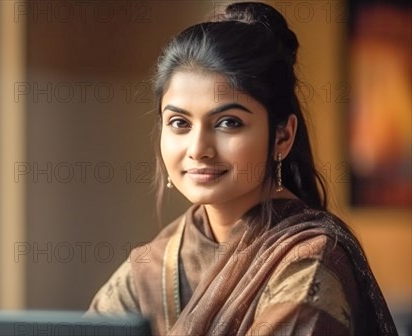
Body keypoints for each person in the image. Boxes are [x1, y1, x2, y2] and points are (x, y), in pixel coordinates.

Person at [87, 2, 397, 335]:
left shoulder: (308, 260)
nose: (198, 149)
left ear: (282, 136)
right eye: (179, 123)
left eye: (228, 123)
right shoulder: (154, 266)